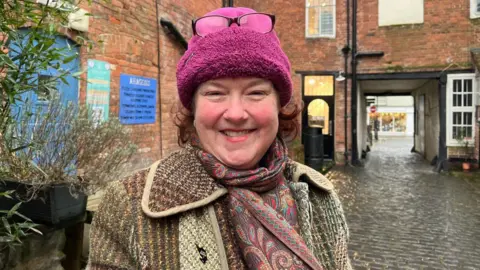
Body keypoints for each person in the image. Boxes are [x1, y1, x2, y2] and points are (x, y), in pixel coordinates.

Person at [88, 7, 351, 270]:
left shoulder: (320, 197)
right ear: (192, 109)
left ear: (279, 106)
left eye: (256, 93)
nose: (236, 114)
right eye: (215, 93)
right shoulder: (128, 206)